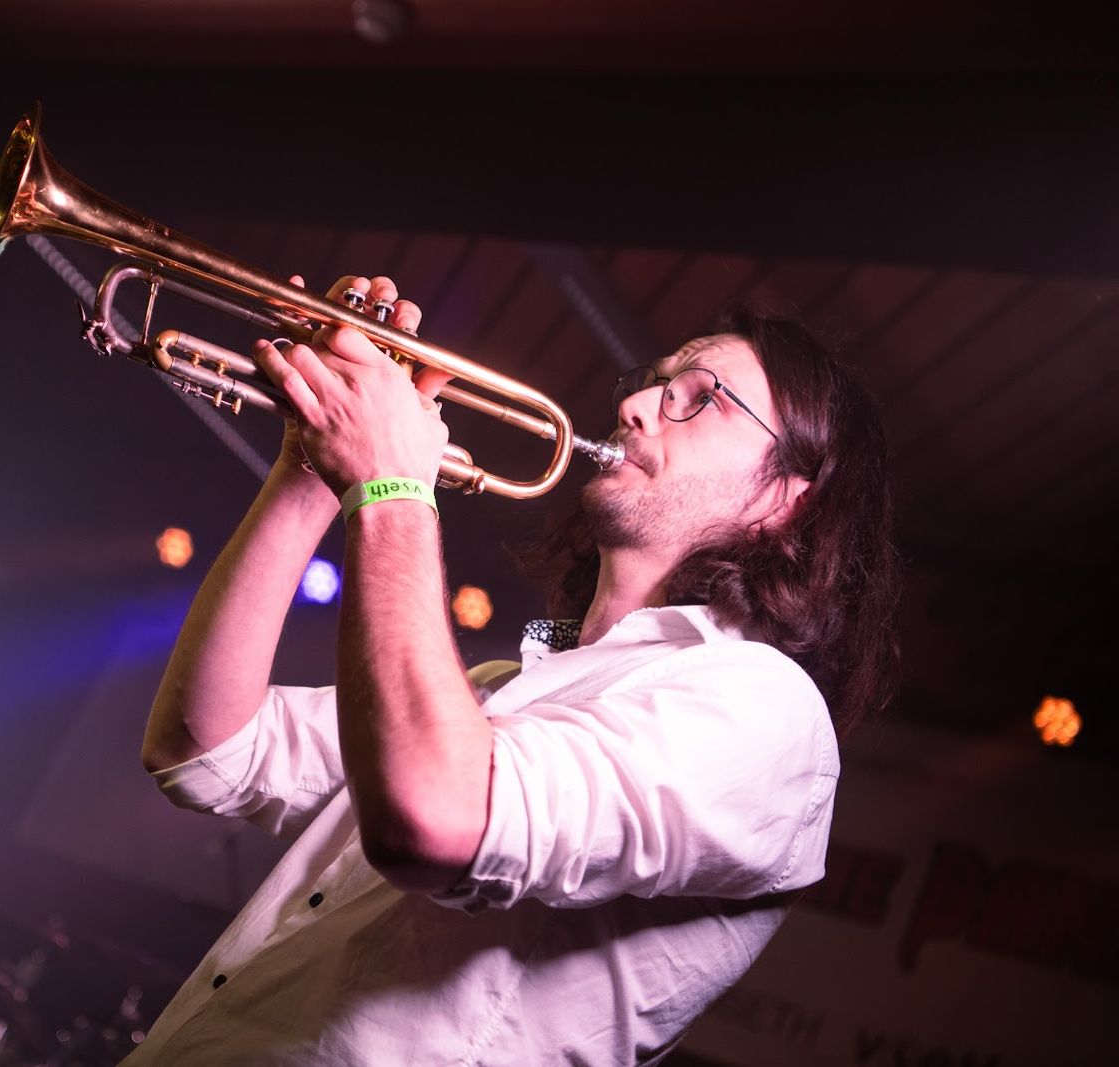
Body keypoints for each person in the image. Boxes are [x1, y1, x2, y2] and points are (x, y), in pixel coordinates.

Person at [126, 274, 901, 1065]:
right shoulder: (496, 689)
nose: (634, 407)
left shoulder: (767, 710)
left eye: (698, 396)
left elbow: (438, 817)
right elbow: (203, 748)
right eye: (652, 383)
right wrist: (308, 469)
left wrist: (388, 481)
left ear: (786, 498)